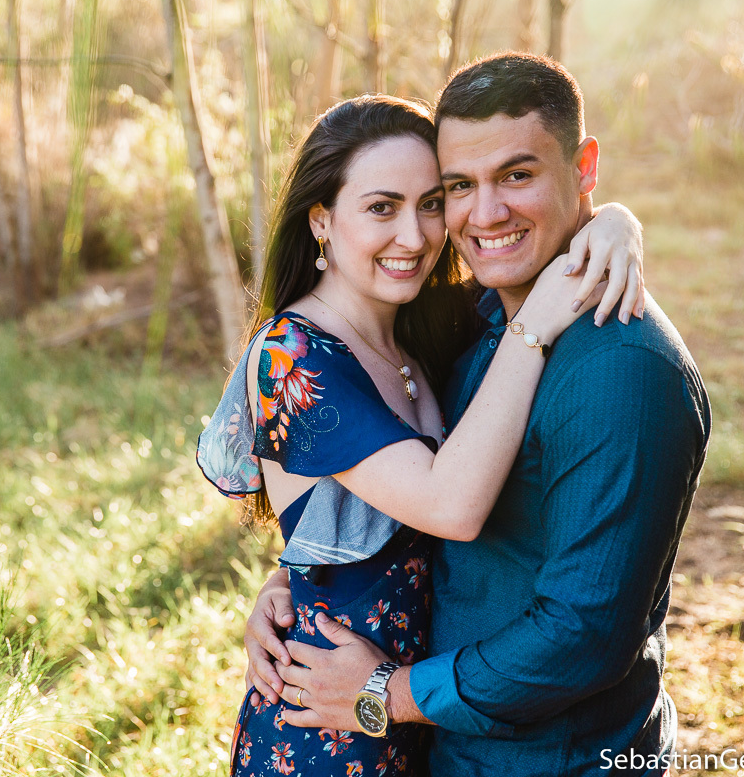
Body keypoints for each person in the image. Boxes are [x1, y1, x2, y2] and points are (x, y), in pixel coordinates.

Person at [244, 53, 711, 776]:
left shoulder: (621, 372)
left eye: (518, 175)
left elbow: (583, 634)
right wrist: (301, 585)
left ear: (583, 167)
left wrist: (389, 694)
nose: (479, 215)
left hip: (546, 758)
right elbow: (397, 500)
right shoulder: (477, 318)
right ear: (322, 222)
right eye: (458, 188)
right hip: (397, 735)